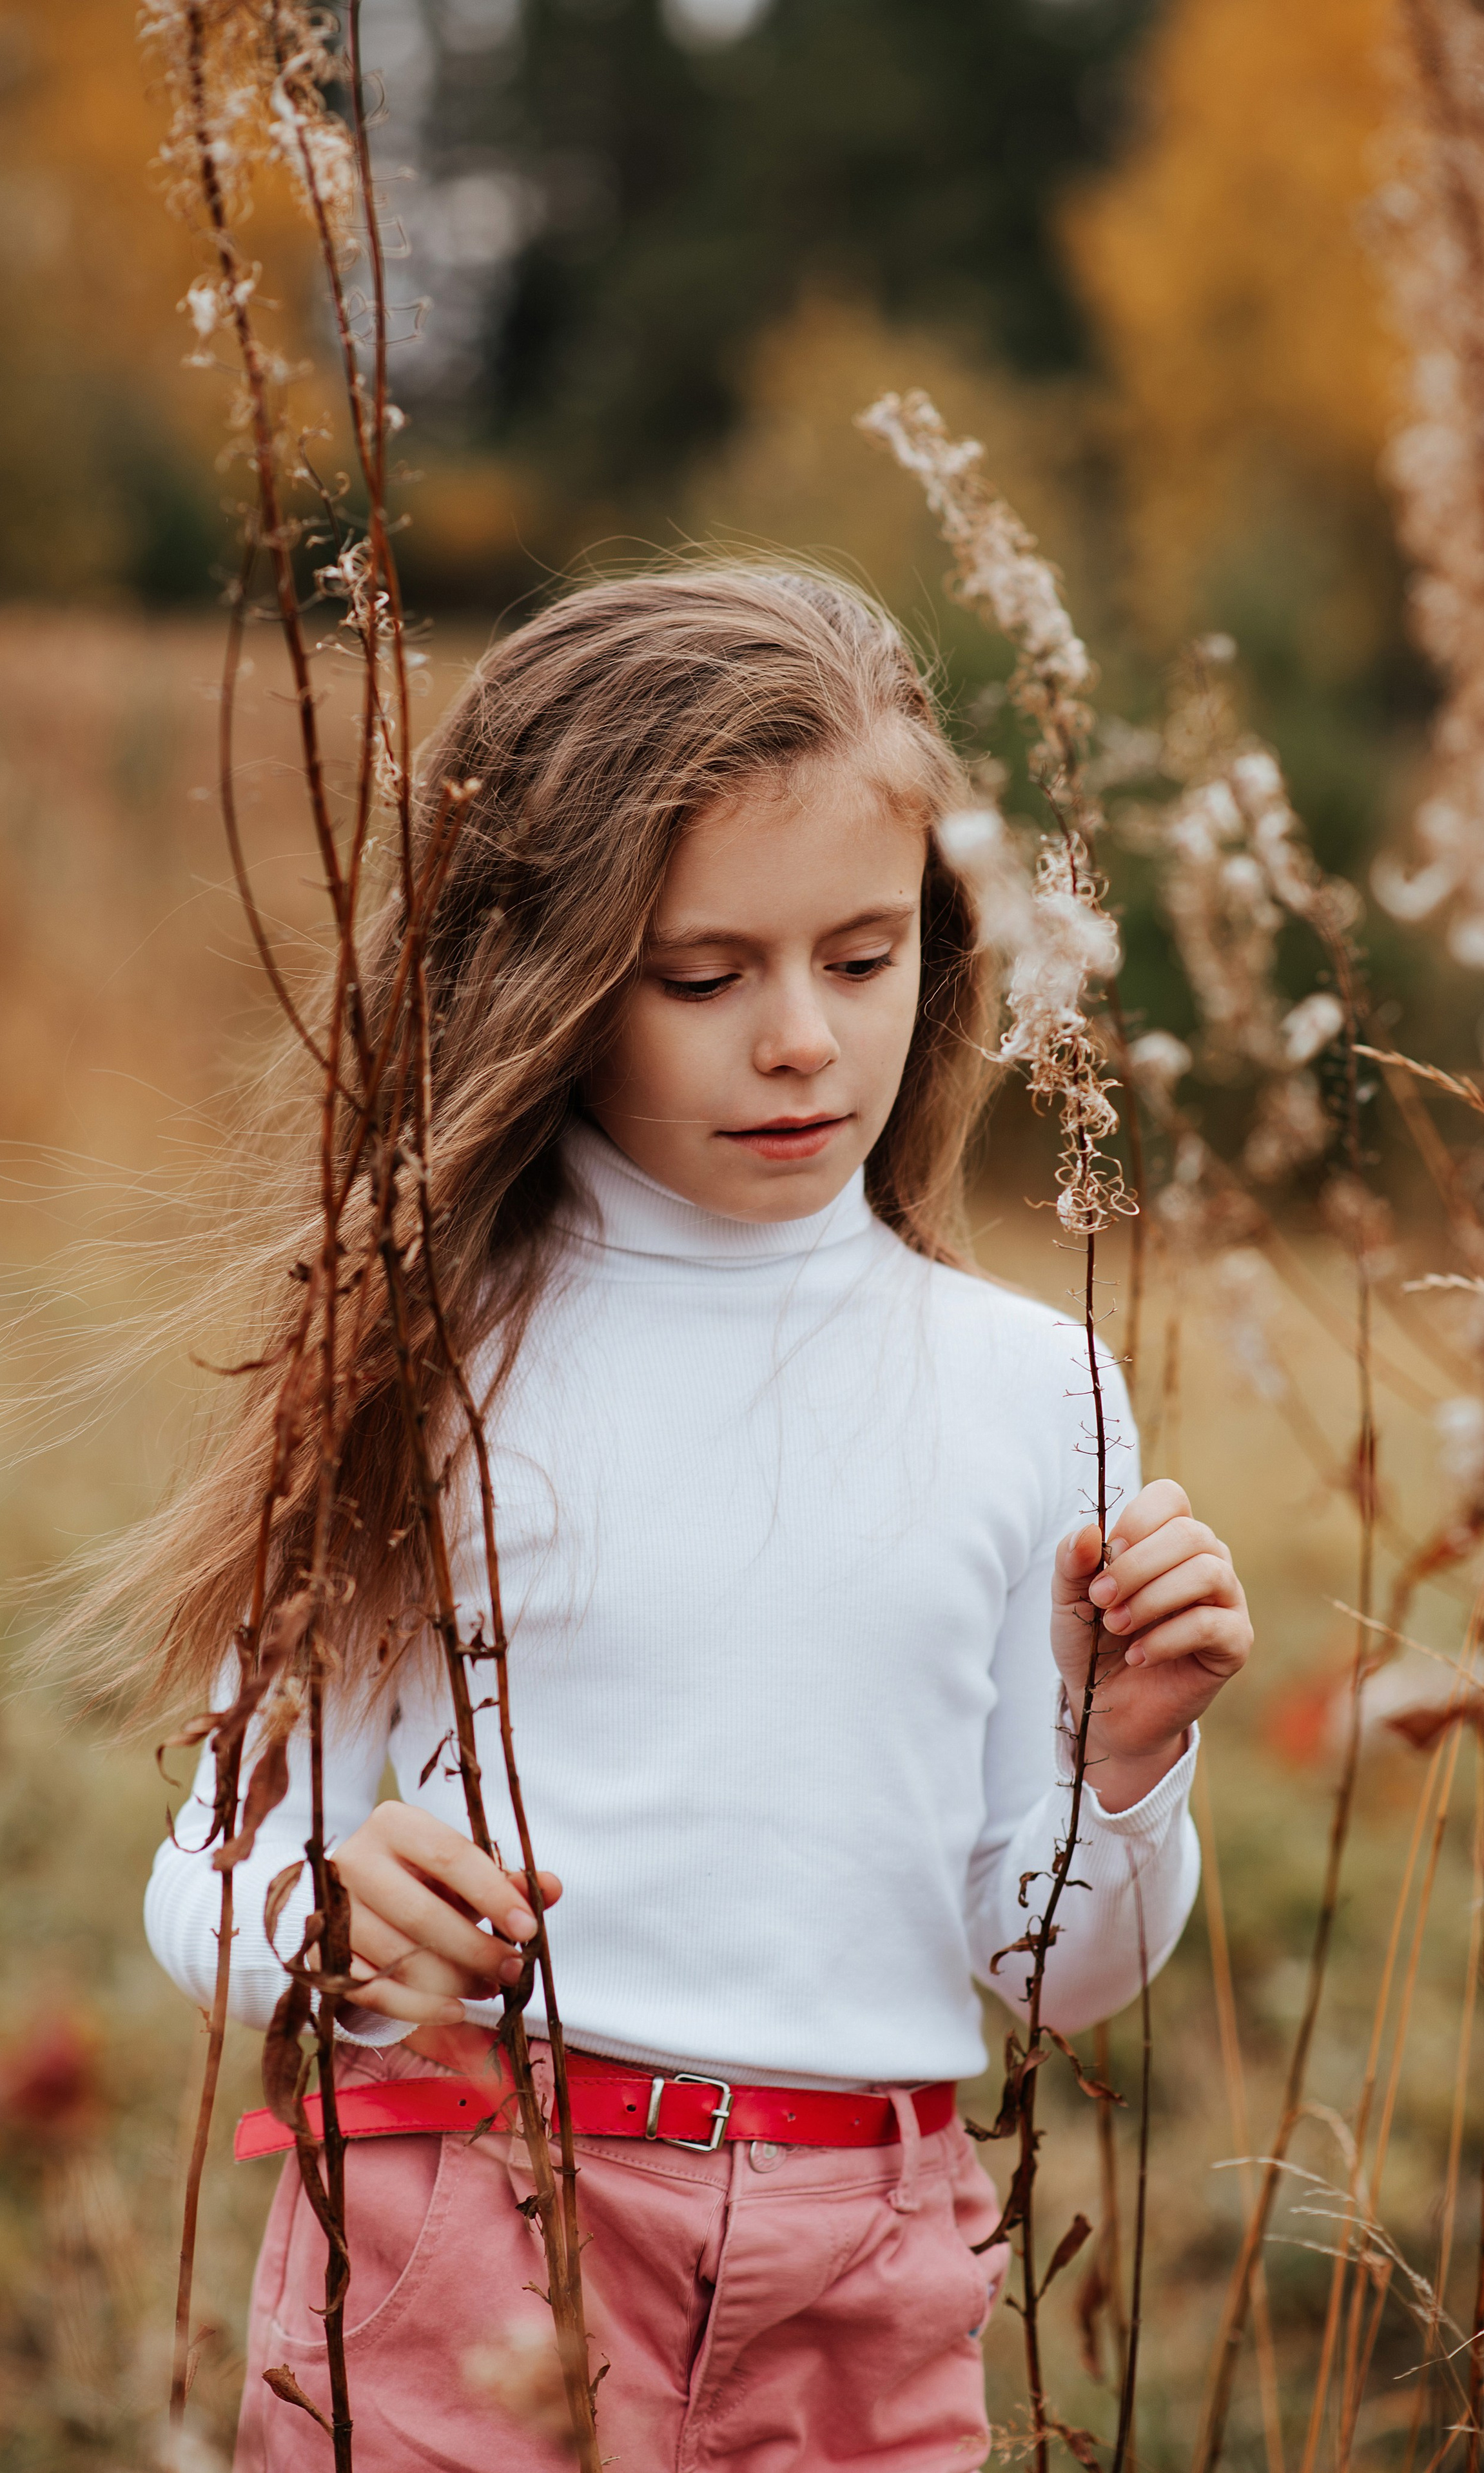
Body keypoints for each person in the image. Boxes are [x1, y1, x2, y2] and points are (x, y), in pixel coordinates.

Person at [139, 564, 1252, 2471]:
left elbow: (1049, 1963)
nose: (804, 1037)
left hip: (875, 2275)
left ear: (938, 942)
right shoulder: (428, 1355)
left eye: (864, 953)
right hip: (468, 2225)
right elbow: (206, 1883)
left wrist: (1126, 1766)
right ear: (553, 973)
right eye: (705, 974)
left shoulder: (1025, 1391)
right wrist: (325, 1914)